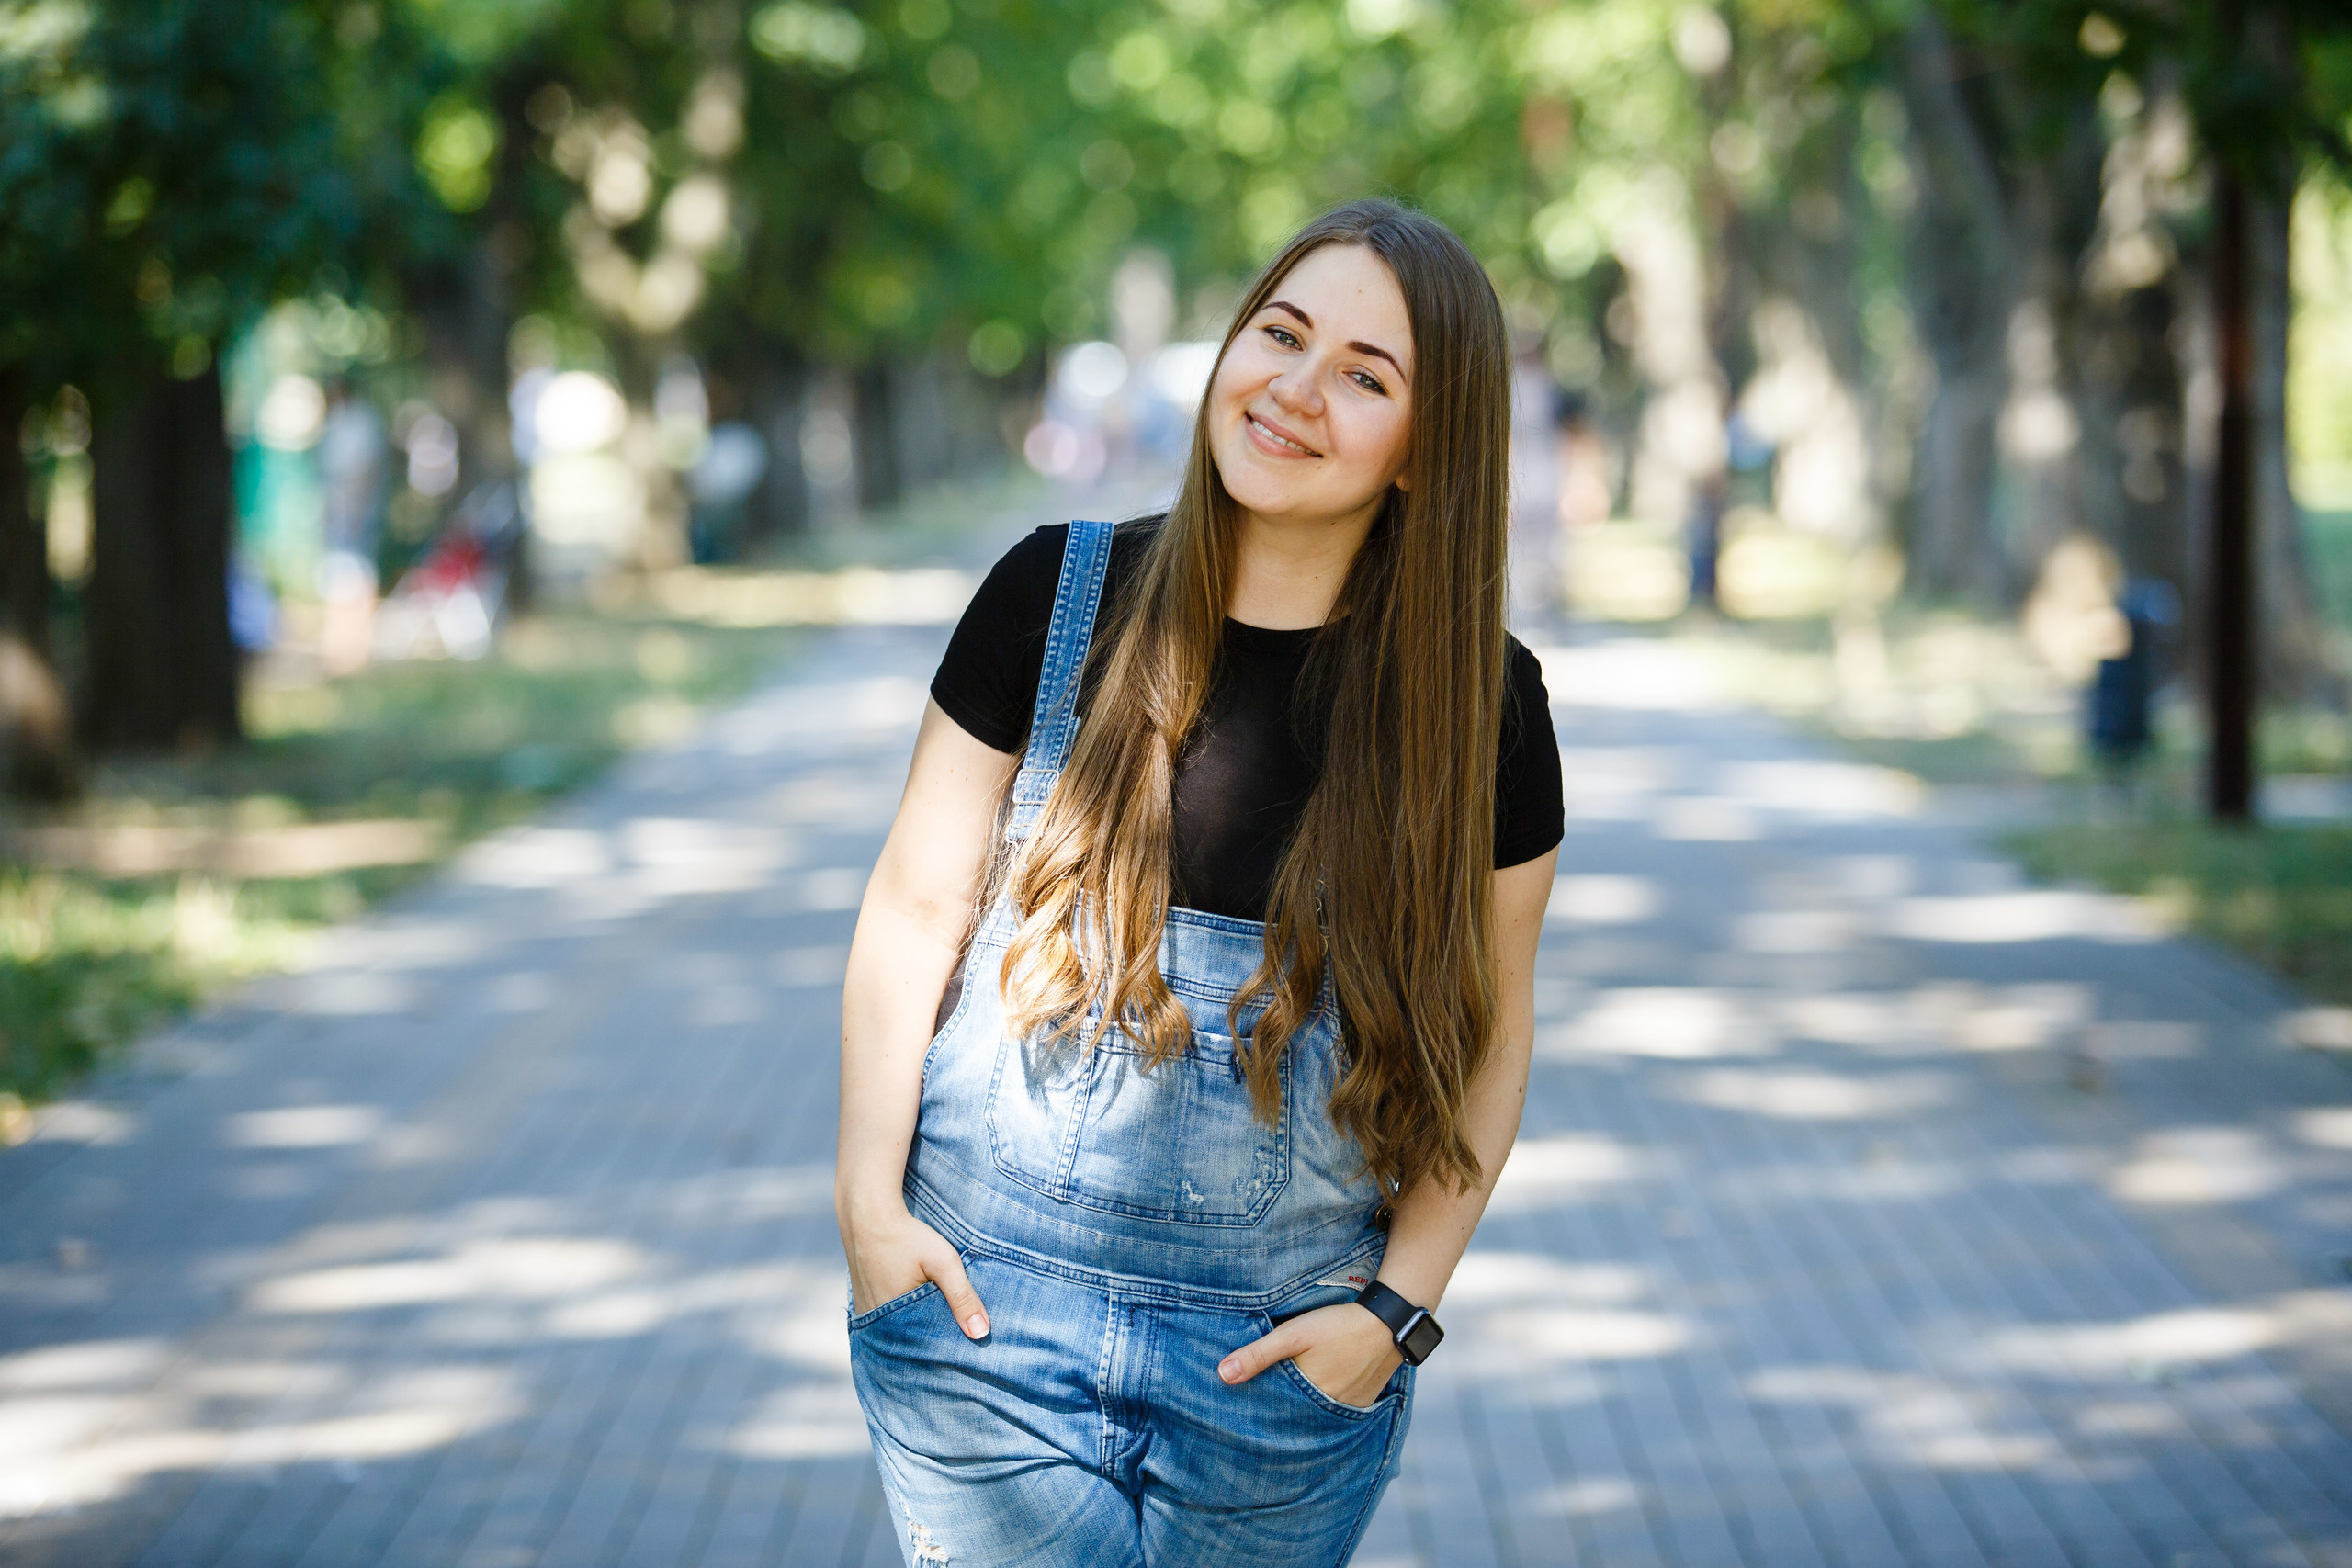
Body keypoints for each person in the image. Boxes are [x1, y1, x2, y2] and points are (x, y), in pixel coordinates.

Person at [836, 199, 1564, 1568]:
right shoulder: (1050, 598)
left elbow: (1498, 1029)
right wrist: (868, 1214)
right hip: (985, 1329)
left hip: (1278, 1381)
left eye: (1365, 374)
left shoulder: (1487, 710)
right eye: (1279, 334)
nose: (1295, 389)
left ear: (1425, 452)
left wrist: (1398, 1314)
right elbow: (913, 909)